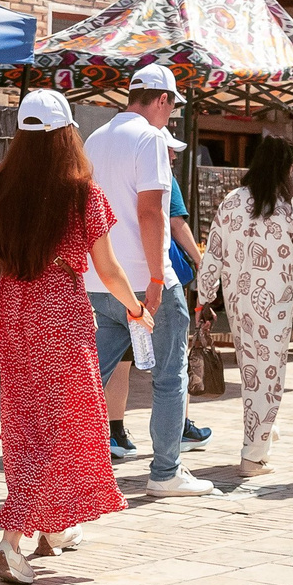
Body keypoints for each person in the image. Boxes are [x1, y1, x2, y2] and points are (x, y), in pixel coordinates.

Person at [0, 88, 145, 584]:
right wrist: (136, 308)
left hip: (16, 317)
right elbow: (108, 271)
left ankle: (51, 526)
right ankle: (12, 538)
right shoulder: (84, 195)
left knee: (27, 427)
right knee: (62, 428)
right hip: (64, 316)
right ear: (69, 134)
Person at [83, 63, 212, 496]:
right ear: (161, 100)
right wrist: (158, 276)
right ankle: (165, 473)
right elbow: (152, 211)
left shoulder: (94, 138)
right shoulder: (151, 138)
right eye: (171, 108)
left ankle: (60, 467)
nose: (170, 118)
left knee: (88, 380)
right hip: (143, 280)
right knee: (169, 377)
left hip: (99, 280)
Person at [195, 133, 293, 472]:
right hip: (275, 309)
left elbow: (211, 254)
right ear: (287, 168)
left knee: (252, 372)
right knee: (269, 377)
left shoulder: (230, 202)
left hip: (240, 305)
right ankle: (253, 454)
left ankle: (262, 435)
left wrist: (205, 297)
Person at [102, 171, 214, 458]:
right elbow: (173, 222)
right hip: (146, 283)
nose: (174, 157)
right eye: (171, 150)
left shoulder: (100, 157)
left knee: (115, 364)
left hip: (107, 282)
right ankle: (170, 458)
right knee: (170, 372)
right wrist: (198, 264)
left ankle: (113, 432)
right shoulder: (158, 169)